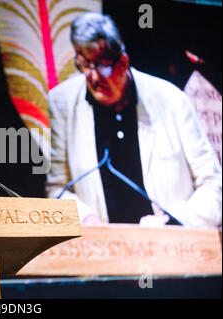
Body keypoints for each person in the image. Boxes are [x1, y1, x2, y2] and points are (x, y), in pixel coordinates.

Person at [46, 12, 221, 228]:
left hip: (169, 248)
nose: (92, 77)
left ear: (123, 61)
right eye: (84, 64)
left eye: (101, 65)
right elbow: (56, 190)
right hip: (99, 252)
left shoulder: (172, 100)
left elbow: (214, 185)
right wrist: (83, 218)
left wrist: (172, 221)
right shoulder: (62, 102)